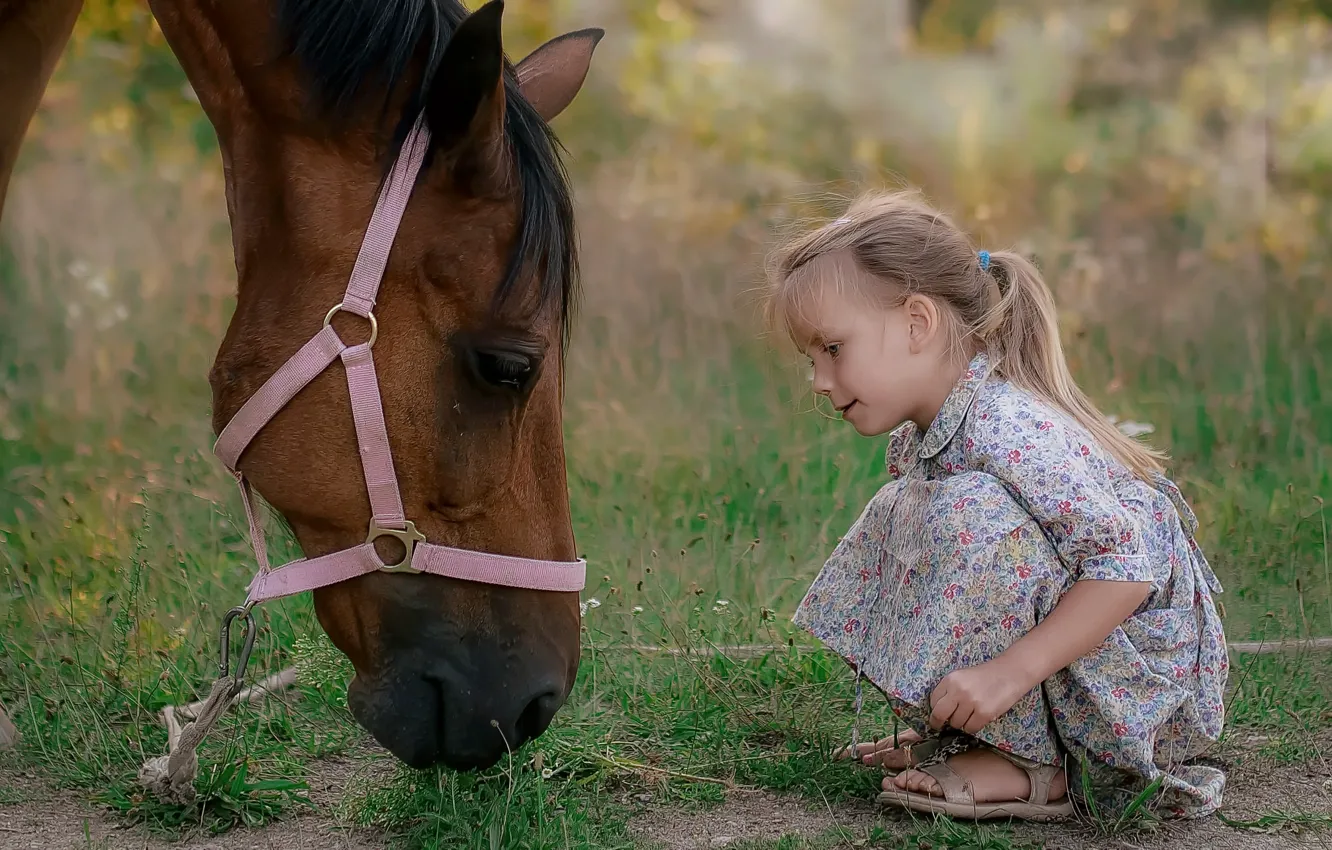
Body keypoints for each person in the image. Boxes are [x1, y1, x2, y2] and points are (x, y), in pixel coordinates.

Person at [762, 188, 1228, 822]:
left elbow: (1126, 568)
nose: (818, 379)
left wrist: (1007, 674)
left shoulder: (1007, 424)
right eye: (810, 358)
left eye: (833, 348)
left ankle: (1036, 765)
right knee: (910, 511)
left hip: (1146, 682)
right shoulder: (924, 435)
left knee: (968, 516)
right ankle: (990, 736)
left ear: (916, 323)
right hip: (1090, 663)